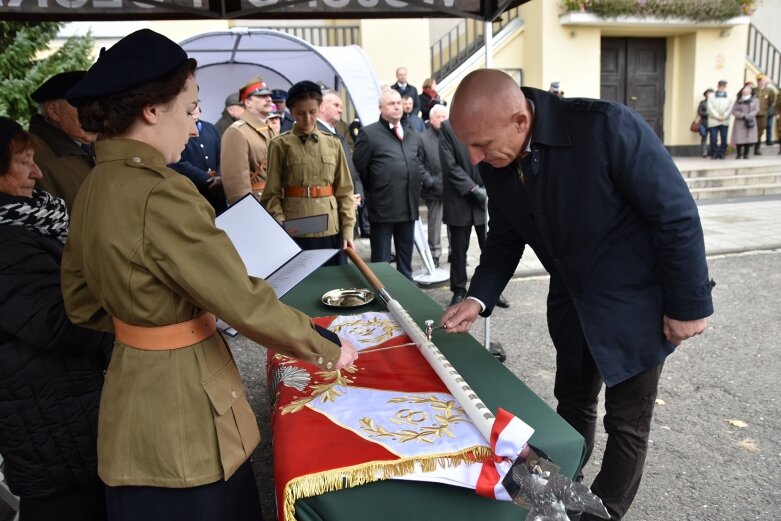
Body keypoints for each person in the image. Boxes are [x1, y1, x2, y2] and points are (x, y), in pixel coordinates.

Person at [63, 29, 357, 521]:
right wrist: (326, 345)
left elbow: (80, 302)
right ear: (152, 110)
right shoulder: (163, 191)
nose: (196, 124)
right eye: (190, 107)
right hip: (186, 421)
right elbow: (241, 300)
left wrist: (146, 320)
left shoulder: (93, 186)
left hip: (128, 397)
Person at [439, 69, 714, 521]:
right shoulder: (498, 159)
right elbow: (505, 236)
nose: (474, 158)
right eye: (468, 145)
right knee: (573, 403)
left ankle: (599, 515)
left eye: (482, 145)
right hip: (571, 302)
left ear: (520, 121)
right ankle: (566, 491)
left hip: (635, 304)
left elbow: (676, 214)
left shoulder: (605, 127)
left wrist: (689, 305)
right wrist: (478, 297)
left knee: (626, 422)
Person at [0, 116, 112, 521]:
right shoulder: (7, 240)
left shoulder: (31, 219)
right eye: (23, 162)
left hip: (62, 409)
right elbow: (64, 324)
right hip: (48, 421)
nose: (38, 172)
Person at [261, 81, 356, 266]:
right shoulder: (280, 144)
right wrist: (281, 225)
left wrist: (348, 230)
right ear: (291, 111)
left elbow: (345, 191)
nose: (307, 119)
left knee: (334, 284)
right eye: (300, 113)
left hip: (330, 229)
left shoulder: (333, 143)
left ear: (320, 108)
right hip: (296, 228)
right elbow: (271, 194)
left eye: (312, 112)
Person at [353, 89, 424, 280]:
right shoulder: (369, 134)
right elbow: (360, 170)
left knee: (405, 262)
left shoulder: (411, 134)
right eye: (391, 103)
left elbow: (418, 163)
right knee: (381, 264)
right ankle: (382, 300)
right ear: (380, 108)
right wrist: (376, 191)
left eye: (399, 103)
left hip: (408, 208)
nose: (396, 107)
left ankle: (407, 297)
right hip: (383, 210)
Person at [439, 117, 509, 309]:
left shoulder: (485, 121)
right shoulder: (447, 127)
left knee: (490, 247)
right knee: (459, 251)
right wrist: (471, 188)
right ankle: (459, 291)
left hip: (485, 196)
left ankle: (493, 290)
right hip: (459, 198)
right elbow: (449, 164)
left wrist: (487, 187)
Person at [28, 70, 97, 211]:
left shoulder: (102, 144)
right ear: (54, 111)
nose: (96, 114)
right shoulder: (33, 157)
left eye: (98, 105)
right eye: (84, 105)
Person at [317, 90, 365, 239]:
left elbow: (352, 169)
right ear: (322, 107)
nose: (341, 109)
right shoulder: (315, 134)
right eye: (336, 105)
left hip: (347, 207)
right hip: (328, 212)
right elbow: (320, 175)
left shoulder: (338, 133)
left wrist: (358, 195)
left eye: (342, 106)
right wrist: (345, 199)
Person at [221, 77, 276, 205]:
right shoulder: (236, 132)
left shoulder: (270, 129)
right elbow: (236, 184)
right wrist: (247, 210)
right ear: (247, 102)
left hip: (274, 203)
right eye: (262, 96)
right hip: (257, 204)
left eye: (269, 95)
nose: (269, 99)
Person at [169, 100, 227, 214]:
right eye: (189, 109)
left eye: (195, 106)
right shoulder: (176, 132)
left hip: (218, 192)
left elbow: (222, 155)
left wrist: (220, 177)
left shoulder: (211, 128)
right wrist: (206, 180)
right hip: (194, 190)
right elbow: (176, 162)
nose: (193, 110)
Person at [419, 103, 447, 267]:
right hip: (433, 190)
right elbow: (418, 163)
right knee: (434, 225)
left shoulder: (452, 135)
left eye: (445, 116)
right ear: (431, 119)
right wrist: (430, 181)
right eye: (439, 117)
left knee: (454, 226)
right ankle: (434, 255)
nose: (442, 120)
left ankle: (454, 253)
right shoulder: (423, 138)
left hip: (452, 189)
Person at [732, 84, 759, 160]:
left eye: (747, 91)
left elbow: (756, 109)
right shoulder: (738, 100)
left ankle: (746, 154)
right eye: (744, 91)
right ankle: (738, 154)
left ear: (750, 92)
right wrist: (742, 115)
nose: (745, 92)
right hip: (740, 121)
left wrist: (749, 115)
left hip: (750, 120)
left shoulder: (755, 100)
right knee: (739, 138)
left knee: (749, 137)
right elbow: (734, 111)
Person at [706, 80, 732, 159]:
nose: (721, 87)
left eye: (723, 86)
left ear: (725, 87)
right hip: (714, 120)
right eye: (720, 86)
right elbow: (710, 107)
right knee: (713, 138)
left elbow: (730, 107)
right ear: (718, 86)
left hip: (724, 120)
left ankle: (722, 153)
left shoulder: (729, 96)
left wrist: (724, 116)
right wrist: (717, 116)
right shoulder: (711, 95)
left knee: (724, 137)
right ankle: (714, 153)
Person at [755, 73, 777, 153]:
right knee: (753, 130)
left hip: (763, 114)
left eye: (762, 80)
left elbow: (771, 101)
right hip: (754, 114)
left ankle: (757, 148)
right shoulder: (754, 90)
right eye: (759, 81)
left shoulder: (769, 90)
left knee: (760, 131)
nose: (760, 82)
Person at [696, 88, 713, 157]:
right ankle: (704, 152)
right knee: (704, 137)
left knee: (713, 138)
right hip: (704, 122)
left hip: (713, 122)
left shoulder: (715, 103)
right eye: (708, 93)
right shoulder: (702, 103)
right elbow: (699, 112)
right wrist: (708, 114)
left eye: (711, 93)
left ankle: (712, 151)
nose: (709, 95)